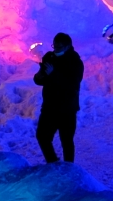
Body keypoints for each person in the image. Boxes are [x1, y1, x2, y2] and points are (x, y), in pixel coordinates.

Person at [32, 33, 84, 163]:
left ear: (67, 46)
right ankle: (53, 163)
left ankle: (69, 170)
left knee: (66, 141)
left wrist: (53, 74)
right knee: (42, 137)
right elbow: (41, 79)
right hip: (49, 106)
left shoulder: (75, 62)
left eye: (59, 47)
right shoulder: (49, 57)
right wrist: (39, 77)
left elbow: (72, 85)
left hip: (67, 108)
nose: (55, 49)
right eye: (54, 46)